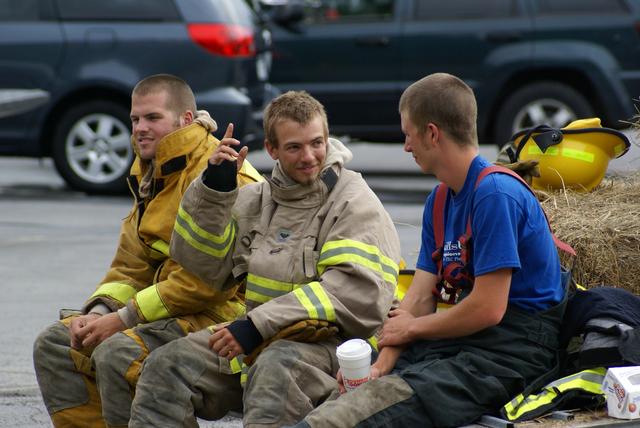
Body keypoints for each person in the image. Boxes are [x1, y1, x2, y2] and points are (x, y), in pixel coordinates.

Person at [292, 73, 568, 427]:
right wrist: (381, 359)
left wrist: (410, 331)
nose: (406, 146)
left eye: (409, 134)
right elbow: (420, 297)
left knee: (359, 414)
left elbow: (487, 309)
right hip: (465, 342)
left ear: (432, 133)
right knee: (344, 397)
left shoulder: (495, 195)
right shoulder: (439, 200)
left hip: (512, 353)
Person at [127, 90, 402, 427]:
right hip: (257, 340)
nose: (309, 156)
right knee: (165, 367)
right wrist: (214, 191)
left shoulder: (354, 202)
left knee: (275, 371)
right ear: (272, 150)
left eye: (317, 143)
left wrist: (256, 325)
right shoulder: (257, 199)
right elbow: (205, 265)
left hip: (335, 350)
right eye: (294, 147)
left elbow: (350, 295)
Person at [32, 73, 262, 428]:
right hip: (169, 309)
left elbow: (204, 284)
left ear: (185, 119)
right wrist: (96, 312)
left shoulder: (222, 173)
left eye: (152, 118)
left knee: (118, 352)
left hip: (223, 316)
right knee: (57, 344)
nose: (139, 128)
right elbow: (130, 264)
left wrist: (123, 320)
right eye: (135, 119)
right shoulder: (153, 170)